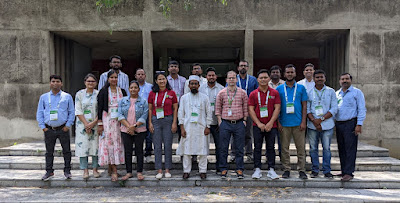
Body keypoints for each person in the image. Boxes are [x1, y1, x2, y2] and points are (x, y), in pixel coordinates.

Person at [36, 75, 75, 181]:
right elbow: (39, 112)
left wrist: (68, 125)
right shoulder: (44, 97)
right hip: (49, 129)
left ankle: (67, 171)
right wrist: (43, 127)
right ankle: (49, 171)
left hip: (63, 128)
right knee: (49, 152)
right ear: (50, 83)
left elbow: (71, 112)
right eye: (53, 81)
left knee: (66, 151)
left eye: (58, 81)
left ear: (61, 83)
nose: (55, 83)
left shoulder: (67, 96)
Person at [276, 64, 308, 179]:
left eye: (292, 72)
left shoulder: (301, 88)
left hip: (298, 123)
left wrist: (304, 121)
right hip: (284, 123)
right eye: (288, 72)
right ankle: (286, 169)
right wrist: (278, 122)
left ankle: (302, 170)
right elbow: (277, 107)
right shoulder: (279, 89)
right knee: (284, 148)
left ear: (295, 74)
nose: (290, 74)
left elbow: (304, 106)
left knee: (301, 148)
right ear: (284, 74)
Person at [177, 75, 212, 180]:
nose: (193, 86)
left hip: (201, 128)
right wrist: (182, 128)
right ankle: (186, 171)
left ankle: (202, 171)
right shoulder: (184, 98)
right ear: (188, 85)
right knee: (187, 150)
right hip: (188, 128)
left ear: (199, 85)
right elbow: (180, 114)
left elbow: (209, 113)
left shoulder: (205, 98)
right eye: (191, 84)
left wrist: (208, 126)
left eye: (195, 84)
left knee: (202, 150)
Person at [248, 69, 281, 179]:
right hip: (257, 126)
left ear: (269, 79)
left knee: (270, 147)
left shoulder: (274, 93)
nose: (263, 80)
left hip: (272, 125)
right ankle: (257, 169)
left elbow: (277, 108)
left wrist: (271, 123)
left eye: (265, 77)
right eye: (261, 78)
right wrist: (258, 123)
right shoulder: (253, 94)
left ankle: (271, 169)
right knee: (257, 147)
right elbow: (251, 110)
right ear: (257, 80)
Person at [215, 71, 248, 179]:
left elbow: (245, 107)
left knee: (239, 148)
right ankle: (223, 169)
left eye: (233, 78)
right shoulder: (222, 93)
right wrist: (219, 121)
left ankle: (239, 169)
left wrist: (244, 120)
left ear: (237, 79)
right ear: (226, 80)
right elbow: (218, 108)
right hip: (225, 123)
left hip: (239, 123)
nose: (232, 80)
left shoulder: (242, 93)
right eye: (229, 78)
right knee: (223, 147)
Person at [335, 73, 366, 182]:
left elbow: (362, 109)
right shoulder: (337, 94)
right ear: (339, 81)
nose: (345, 81)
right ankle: (344, 170)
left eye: (347, 79)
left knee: (350, 149)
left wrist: (359, 124)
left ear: (351, 80)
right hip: (339, 124)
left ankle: (349, 172)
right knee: (342, 148)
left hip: (351, 123)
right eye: (342, 79)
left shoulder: (357, 93)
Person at [306, 70, 338, 178]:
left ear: (325, 78)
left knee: (327, 149)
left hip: (327, 125)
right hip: (312, 125)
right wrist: (314, 121)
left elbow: (334, 108)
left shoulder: (331, 91)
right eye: (317, 77)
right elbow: (307, 109)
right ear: (314, 79)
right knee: (313, 149)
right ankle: (315, 170)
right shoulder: (309, 92)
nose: (319, 79)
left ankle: (326, 170)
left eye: (321, 77)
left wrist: (321, 119)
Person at [97, 70, 127, 182]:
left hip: (119, 121)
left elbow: (125, 105)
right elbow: (99, 108)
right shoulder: (103, 91)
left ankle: (112, 167)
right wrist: (100, 124)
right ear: (108, 79)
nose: (114, 79)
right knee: (108, 143)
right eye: (112, 78)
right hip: (107, 120)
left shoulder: (122, 91)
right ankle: (114, 170)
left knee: (117, 142)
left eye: (115, 77)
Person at [148, 72, 178, 179]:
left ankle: (167, 169)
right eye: (159, 79)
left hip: (168, 119)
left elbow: (175, 109)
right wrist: (150, 122)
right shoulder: (152, 93)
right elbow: (150, 109)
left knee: (168, 145)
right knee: (157, 145)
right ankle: (159, 169)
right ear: (156, 81)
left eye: (163, 79)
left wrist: (174, 122)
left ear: (166, 80)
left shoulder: (171, 93)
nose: (162, 81)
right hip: (156, 120)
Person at [118, 80, 149, 181]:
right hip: (125, 130)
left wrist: (134, 126)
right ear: (128, 89)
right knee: (128, 151)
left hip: (140, 130)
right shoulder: (123, 101)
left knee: (139, 151)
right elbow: (120, 114)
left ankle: (139, 172)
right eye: (131, 88)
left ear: (139, 89)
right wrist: (129, 127)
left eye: (135, 88)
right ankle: (129, 172)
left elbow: (145, 115)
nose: (133, 89)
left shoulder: (143, 101)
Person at [230, 60, 258, 162]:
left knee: (247, 133)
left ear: (248, 68)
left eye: (245, 66)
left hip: (249, 109)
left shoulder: (253, 80)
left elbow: (257, 94)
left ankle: (249, 153)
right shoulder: (233, 79)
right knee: (234, 132)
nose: (243, 67)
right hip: (236, 109)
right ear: (238, 68)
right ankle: (233, 154)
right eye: (241, 66)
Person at [74, 74, 100, 179]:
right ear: (85, 82)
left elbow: (101, 109)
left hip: (95, 124)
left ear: (96, 83)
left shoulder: (98, 94)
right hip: (82, 125)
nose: (90, 83)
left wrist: (93, 123)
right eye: (88, 81)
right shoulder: (79, 94)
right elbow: (78, 110)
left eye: (93, 81)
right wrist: (86, 124)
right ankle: (85, 170)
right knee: (83, 147)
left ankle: (95, 169)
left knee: (95, 147)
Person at [199, 67, 224, 173]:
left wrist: (221, 121)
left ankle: (219, 167)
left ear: (216, 77)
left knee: (220, 146)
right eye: (209, 75)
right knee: (202, 146)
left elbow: (224, 105)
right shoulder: (201, 89)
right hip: (203, 123)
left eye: (213, 75)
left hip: (217, 122)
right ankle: (202, 168)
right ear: (206, 77)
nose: (211, 77)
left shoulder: (221, 89)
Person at [135, 68, 154, 162]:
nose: (140, 76)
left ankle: (148, 154)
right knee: (136, 135)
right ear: (135, 76)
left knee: (149, 135)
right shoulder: (133, 87)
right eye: (138, 74)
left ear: (145, 76)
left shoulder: (150, 87)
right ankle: (137, 154)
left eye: (142, 74)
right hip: (135, 114)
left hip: (147, 113)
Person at [268, 65, 285, 159]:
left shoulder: (284, 84)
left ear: (280, 74)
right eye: (273, 72)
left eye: (277, 72)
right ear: (270, 74)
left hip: (282, 115)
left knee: (281, 139)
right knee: (269, 139)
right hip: (268, 115)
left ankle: (282, 158)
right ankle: (270, 158)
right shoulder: (266, 84)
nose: (275, 74)